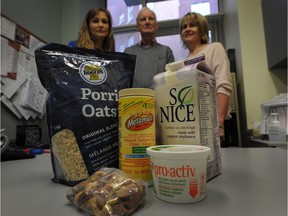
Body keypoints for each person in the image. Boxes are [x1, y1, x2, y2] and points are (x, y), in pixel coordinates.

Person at [179, 12, 233, 142]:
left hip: (212, 124)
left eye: (192, 25)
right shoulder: (182, 63)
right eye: (184, 27)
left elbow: (223, 85)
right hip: (192, 128)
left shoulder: (215, 48)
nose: (187, 29)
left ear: (202, 30)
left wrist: (219, 123)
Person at [124, 7, 175, 89]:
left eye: (150, 19)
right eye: (143, 19)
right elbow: (123, 83)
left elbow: (171, 82)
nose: (147, 22)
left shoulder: (166, 52)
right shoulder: (128, 52)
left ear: (156, 26)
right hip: (134, 100)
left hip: (160, 100)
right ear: (137, 27)